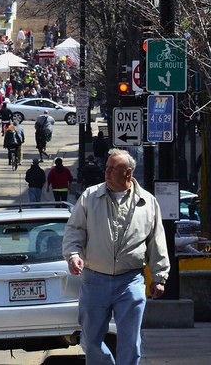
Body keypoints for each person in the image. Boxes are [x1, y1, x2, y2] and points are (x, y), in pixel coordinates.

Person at [62, 149, 169, 365]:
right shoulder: (90, 197)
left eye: (113, 169)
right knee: (90, 340)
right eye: (107, 167)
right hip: (94, 279)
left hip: (130, 280)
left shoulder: (147, 202)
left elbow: (156, 240)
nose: (107, 172)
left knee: (130, 342)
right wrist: (73, 255)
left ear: (128, 172)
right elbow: (74, 230)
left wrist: (159, 276)